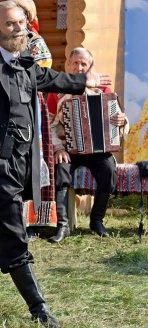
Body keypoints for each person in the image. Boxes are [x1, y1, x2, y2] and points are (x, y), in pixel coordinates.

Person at [0, 0, 111, 327]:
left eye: (21, 23)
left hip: (20, 163)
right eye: (10, 24)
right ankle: (39, 308)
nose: (18, 29)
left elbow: (50, 78)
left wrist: (83, 82)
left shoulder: (25, 62)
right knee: (13, 233)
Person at [46, 47, 128, 242]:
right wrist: (58, 148)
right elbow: (49, 124)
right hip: (68, 149)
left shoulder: (104, 90)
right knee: (60, 168)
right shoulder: (57, 91)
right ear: (68, 65)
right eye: (75, 63)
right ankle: (63, 226)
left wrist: (121, 121)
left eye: (84, 64)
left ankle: (97, 220)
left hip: (98, 149)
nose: (79, 67)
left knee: (108, 169)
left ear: (91, 66)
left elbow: (119, 118)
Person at [12, 0, 56, 240]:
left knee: (32, 159)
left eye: (20, 14)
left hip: (31, 105)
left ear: (28, 17)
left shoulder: (34, 40)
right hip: (10, 103)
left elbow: (42, 71)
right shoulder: (3, 40)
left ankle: (32, 222)